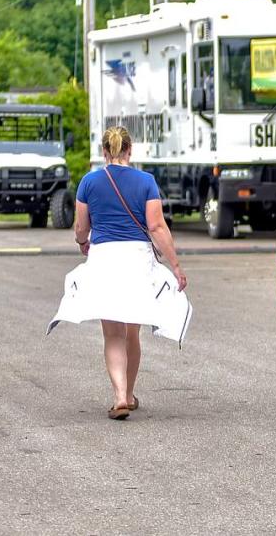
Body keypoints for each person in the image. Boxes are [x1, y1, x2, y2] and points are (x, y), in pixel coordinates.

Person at [69, 126, 187, 420]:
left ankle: (120, 395)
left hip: (105, 258)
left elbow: (81, 227)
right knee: (132, 331)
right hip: (137, 259)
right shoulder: (146, 181)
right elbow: (157, 227)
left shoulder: (88, 182)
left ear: (104, 152)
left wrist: (83, 243)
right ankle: (130, 394)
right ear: (130, 151)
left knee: (112, 334)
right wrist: (175, 265)